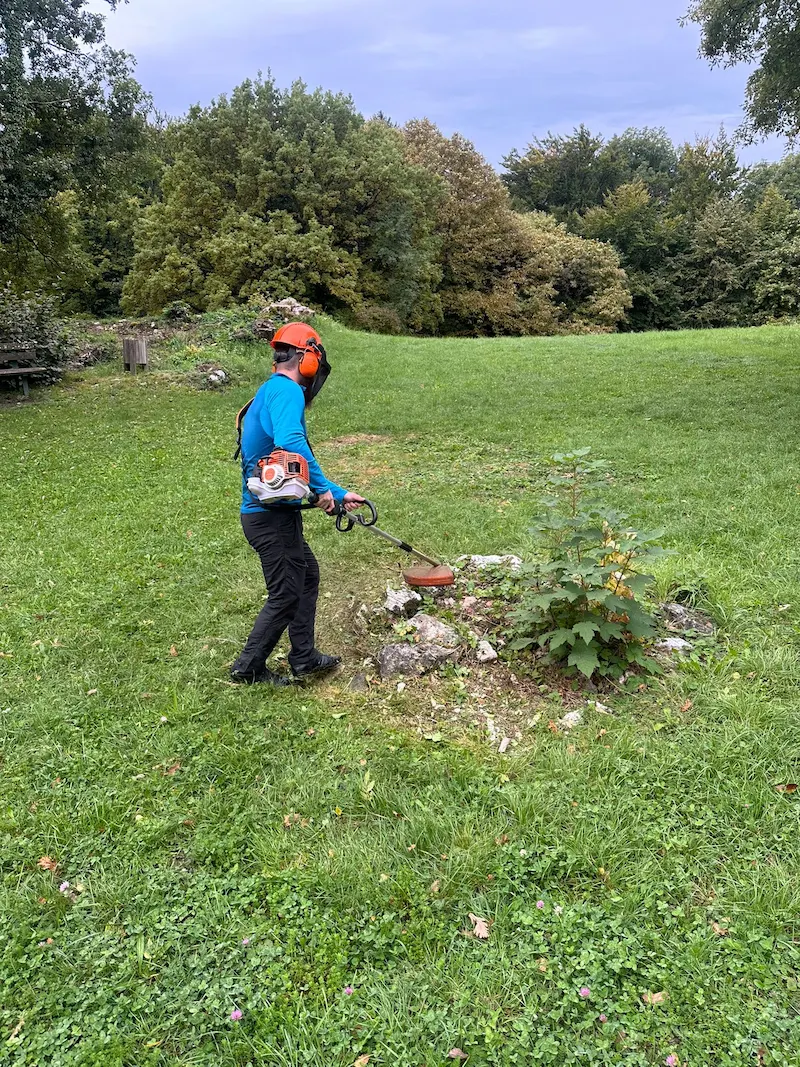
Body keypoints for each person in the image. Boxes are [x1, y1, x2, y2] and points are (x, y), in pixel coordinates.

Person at [230, 322, 365, 686]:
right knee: (287, 591)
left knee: (306, 576)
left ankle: (304, 658)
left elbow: (289, 466)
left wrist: (337, 493)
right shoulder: (286, 390)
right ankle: (249, 668)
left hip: (273, 516)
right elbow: (290, 440)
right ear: (307, 359)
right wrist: (322, 491)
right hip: (267, 519)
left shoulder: (271, 389)